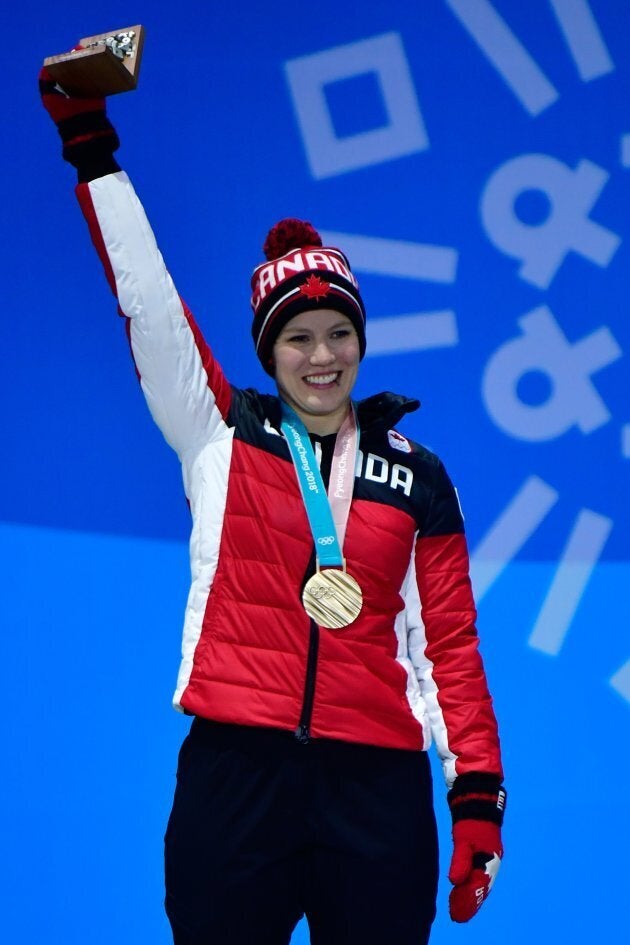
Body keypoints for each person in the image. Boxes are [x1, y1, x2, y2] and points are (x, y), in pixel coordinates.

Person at [40, 61, 506, 945]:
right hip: (236, 777)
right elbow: (147, 301)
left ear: (361, 341)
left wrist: (476, 795)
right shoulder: (219, 431)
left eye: (339, 333)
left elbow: (448, 645)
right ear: (269, 349)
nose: (320, 355)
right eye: (297, 336)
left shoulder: (420, 476)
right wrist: (91, 149)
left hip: (377, 789)